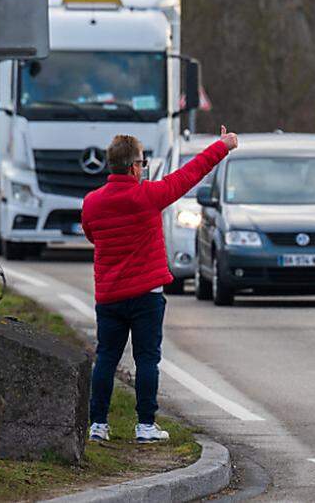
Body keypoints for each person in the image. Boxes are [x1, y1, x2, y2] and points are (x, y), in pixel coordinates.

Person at [81, 125, 238, 443]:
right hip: (146, 295)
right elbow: (189, 174)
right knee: (147, 359)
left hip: (109, 295)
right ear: (134, 167)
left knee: (106, 357)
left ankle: (97, 424)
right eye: (143, 162)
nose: (144, 168)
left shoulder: (92, 202)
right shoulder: (149, 196)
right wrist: (222, 146)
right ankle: (145, 425)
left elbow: (92, 235)